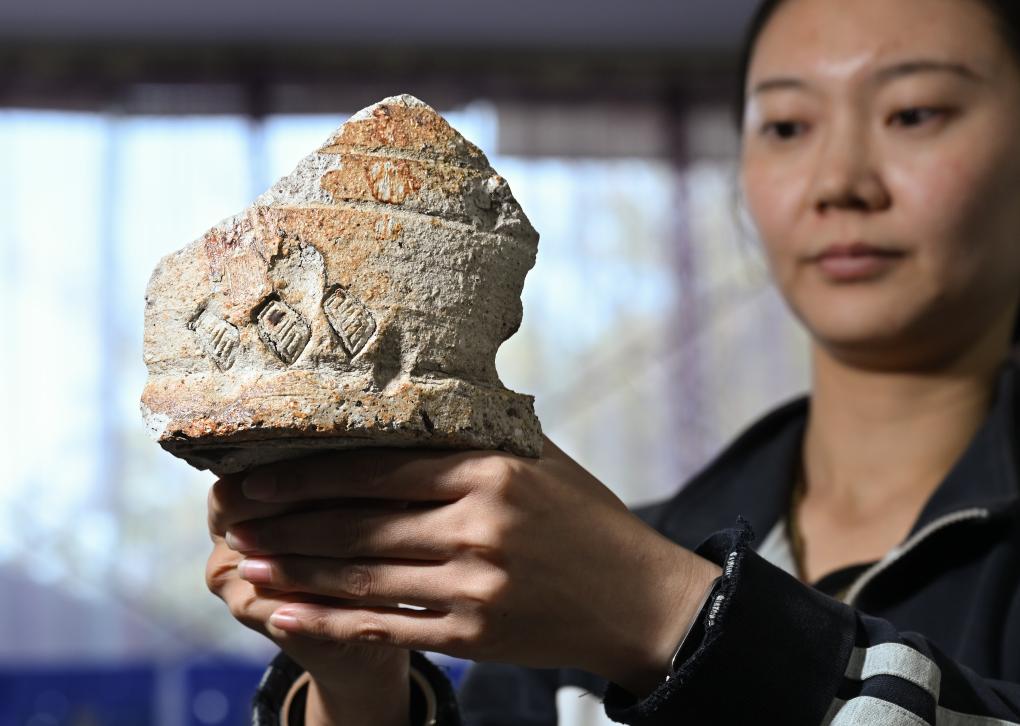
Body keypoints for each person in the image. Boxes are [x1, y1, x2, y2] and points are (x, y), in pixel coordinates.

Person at [205, 0, 1020, 723]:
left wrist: (670, 615)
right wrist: (359, 684)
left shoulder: (625, 576)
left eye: (914, 113)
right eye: (785, 127)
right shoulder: (631, 550)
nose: (839, 182)